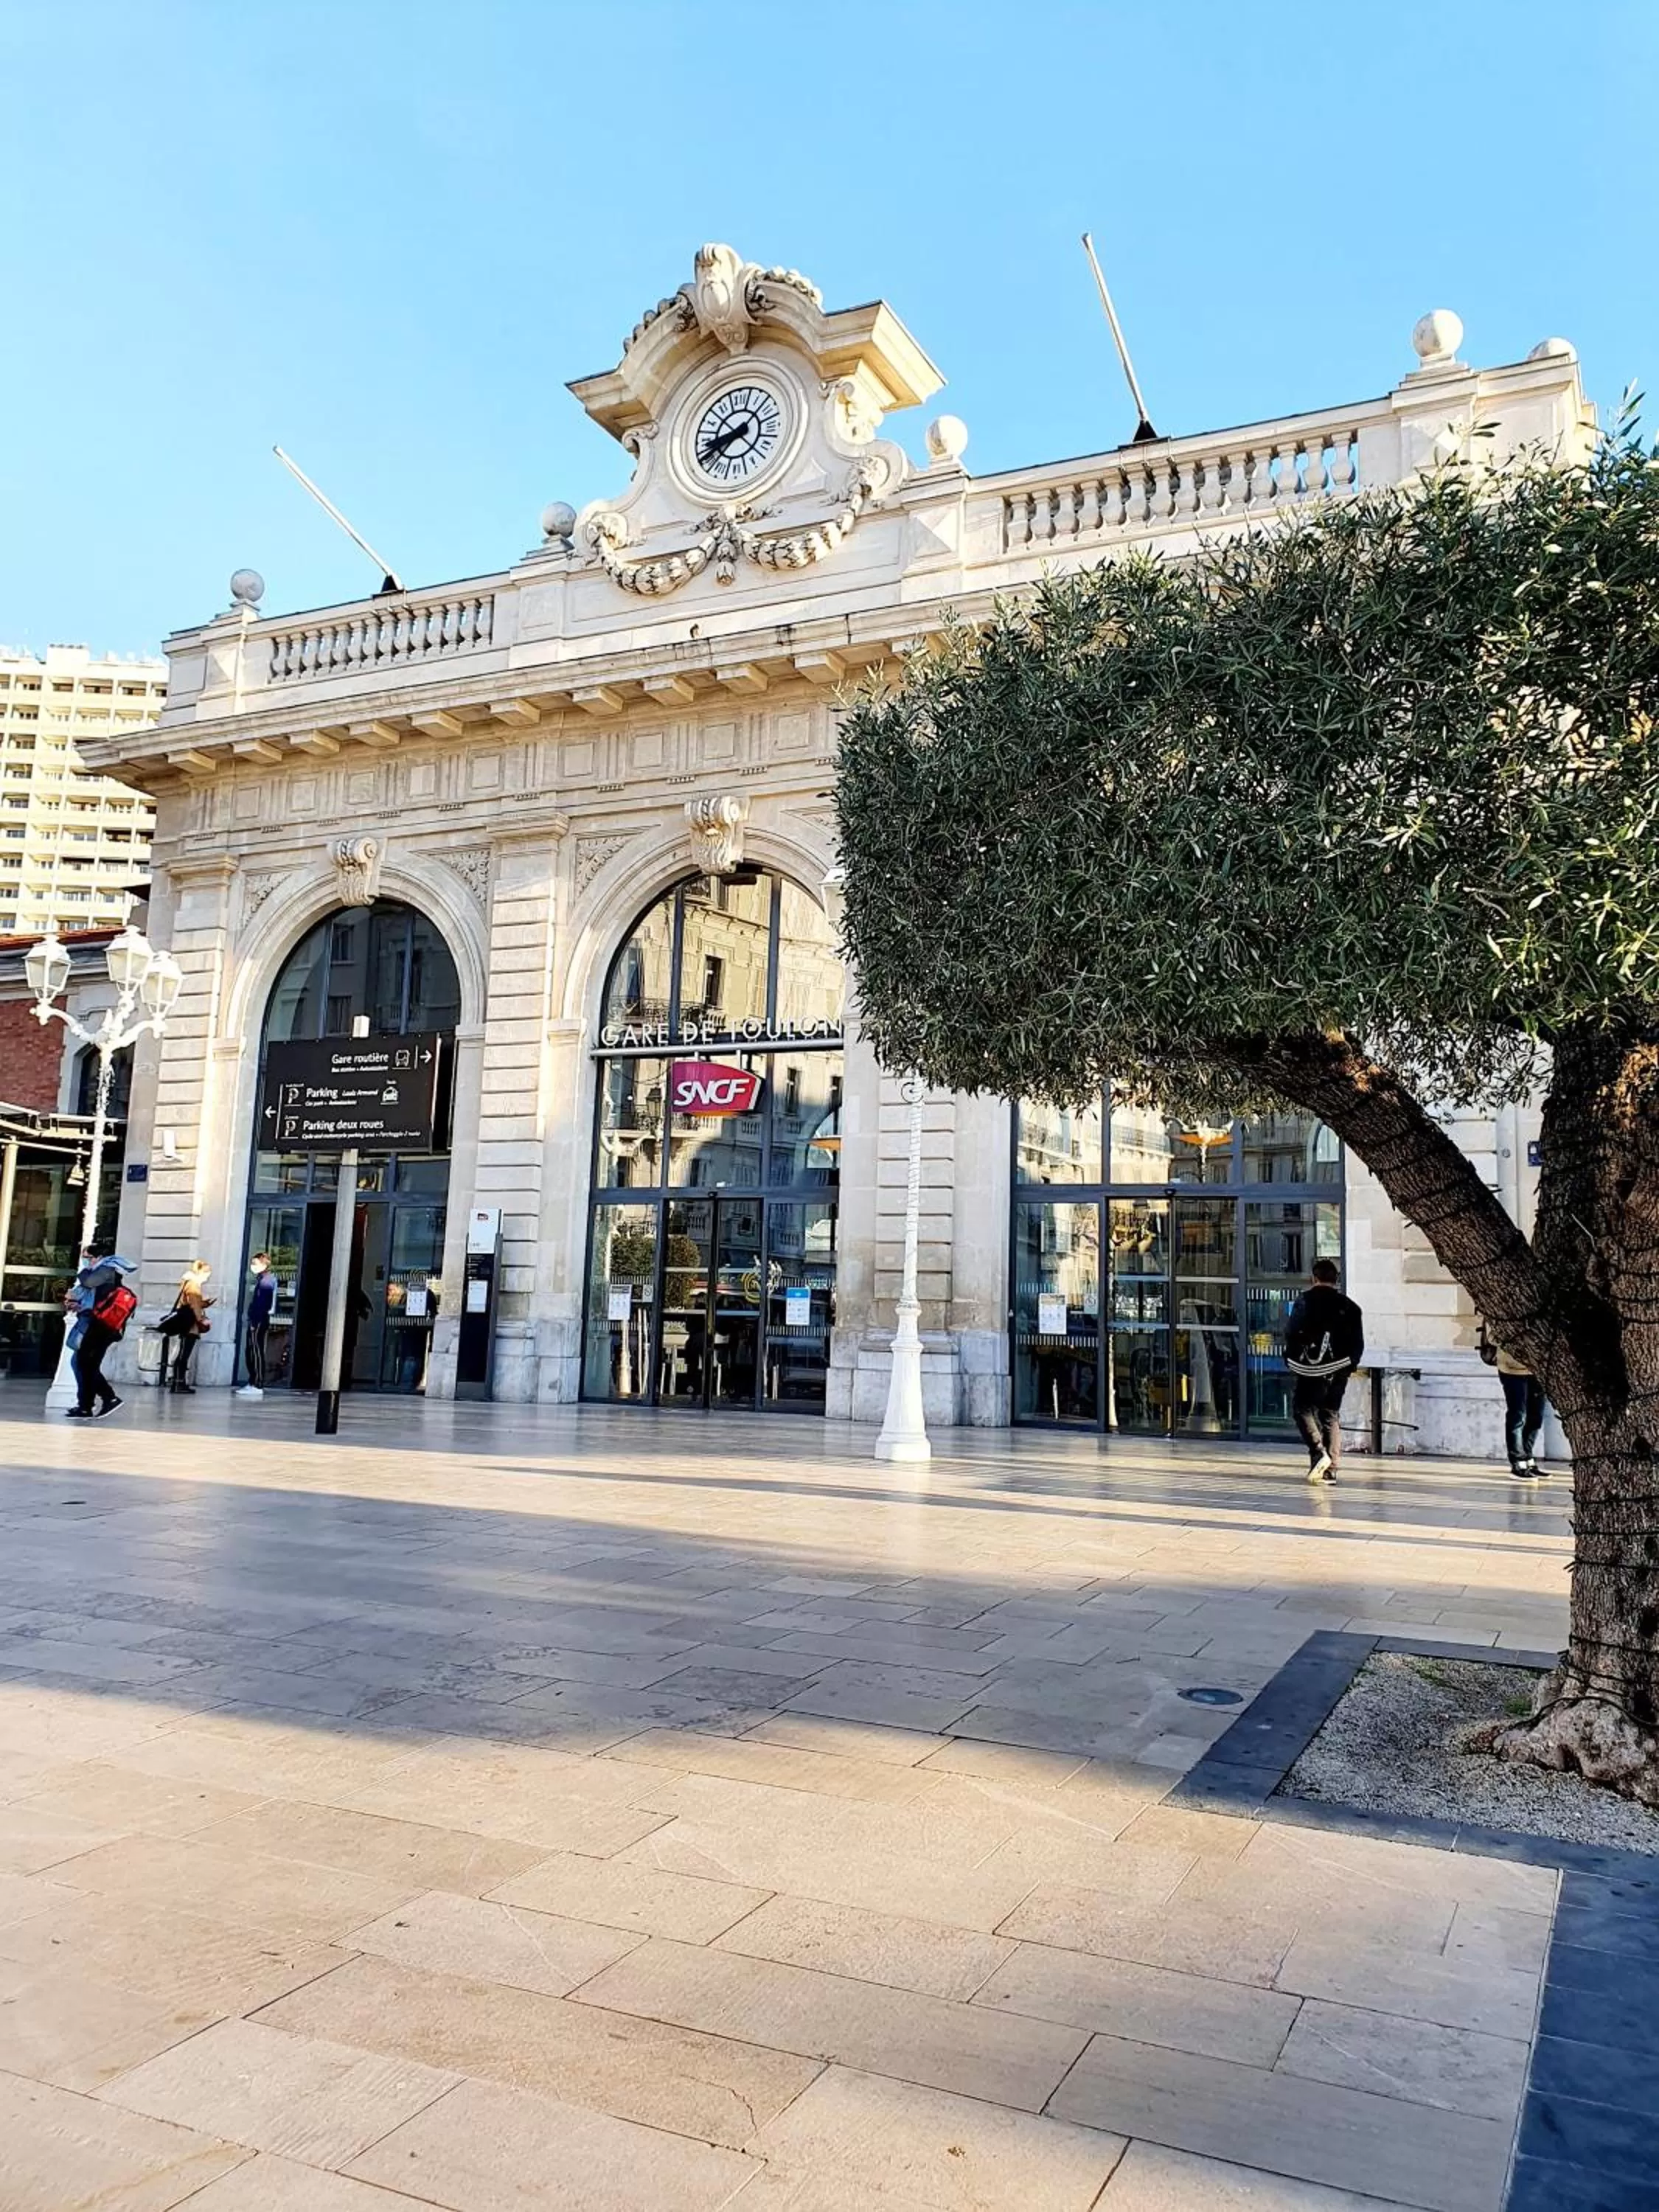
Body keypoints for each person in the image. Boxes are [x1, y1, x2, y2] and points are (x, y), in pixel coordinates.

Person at [1284, 1257, 1365, 1482]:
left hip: (1310, 1367)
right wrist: (1349, 1365)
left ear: (1314, 1278)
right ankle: (1331, 1470)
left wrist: (1291, 1359)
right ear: (1336, 1280)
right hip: (1339, 1367)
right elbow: (1358, 1342)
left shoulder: (1304, 1301)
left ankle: (1318, 1452)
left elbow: (1292, 1332)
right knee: (1330, 1414)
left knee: (1302, 1408)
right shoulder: (1351, 1307)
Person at [69, 1252, 136, 1419]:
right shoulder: (108, 1270)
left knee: (85, 1363)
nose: (87, 1261)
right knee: (84, 1363)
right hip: (102, 1325)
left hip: (101, 1326)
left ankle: (109, 1398)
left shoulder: (106, 1269)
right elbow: (98, 1298)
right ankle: (85, 1406)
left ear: (99, 1256)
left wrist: (84, 1270)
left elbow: (88, 1282)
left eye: (89, 1257)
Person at [1480, 1321, 1550, 1478]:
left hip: (1537, 1367)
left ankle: (1528, 1457)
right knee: (1518, 1415)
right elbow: (1493, 1336)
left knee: (1536, 1416)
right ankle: (1517, 1461)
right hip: (1511, 1368)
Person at [164, 1259, 215, 1394]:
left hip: (187, 1322)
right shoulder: (194, 1285)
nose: (207, 1278)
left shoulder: (189, 1282)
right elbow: (194, 1305)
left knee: (183, 1353)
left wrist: (204, 1303)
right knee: (184, 1354)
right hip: (190, 1324)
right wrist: (201, 1320)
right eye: (207, 1275)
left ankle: (178, 1382)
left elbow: (193, 1303)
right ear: (201, 1272)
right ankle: (179, 1383)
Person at [238, 1252, 276, 1399]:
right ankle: (253, 1380)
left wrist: (255, 1322)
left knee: (256, 1350)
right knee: (251, 1350)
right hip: (257, 1319)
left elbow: (262, 1304)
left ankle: (258, 1382)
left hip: (259, 1320)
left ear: (264, 1264)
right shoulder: (262, 1279)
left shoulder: (266, 1281)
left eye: (255, 1263)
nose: (253, 1266)